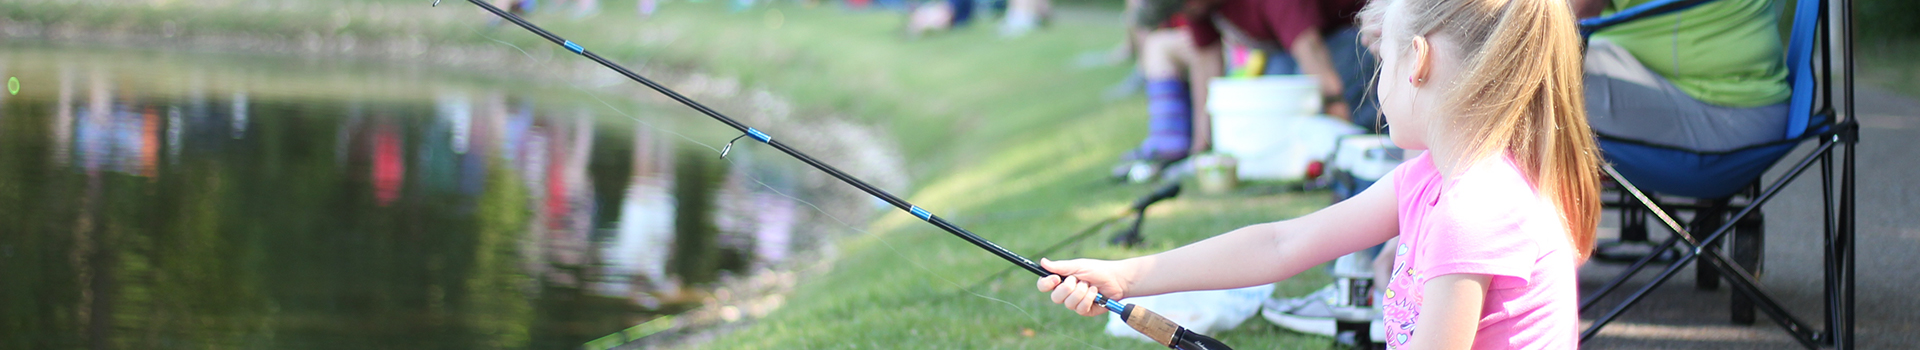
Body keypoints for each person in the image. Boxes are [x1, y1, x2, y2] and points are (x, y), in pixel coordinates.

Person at [1037, 0, 1600, 348]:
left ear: (1419, 63)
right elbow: (1283, 242)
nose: (1377, 85)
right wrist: (1127, 277)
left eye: (1382, 62)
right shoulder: (1431, 178)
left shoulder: (1474, 208)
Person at [1570, 0, 1790, 257]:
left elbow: (1569, 9)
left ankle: (1527, 263)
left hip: (1724, 116)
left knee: (1532, 82)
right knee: (1541, 64)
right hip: (1727, 98)